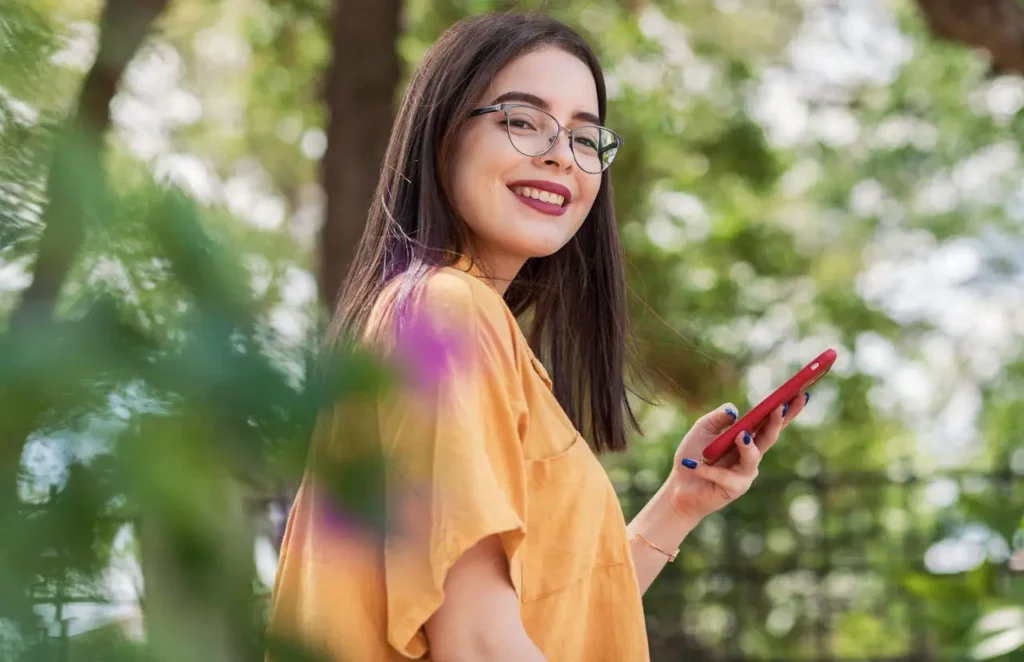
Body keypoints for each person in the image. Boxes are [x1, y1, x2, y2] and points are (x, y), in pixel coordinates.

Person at [268, 11, 808, 662]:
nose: (559, 155)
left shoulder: (461, 325)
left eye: (586, 138)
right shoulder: (446, 314)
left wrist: (681, 504)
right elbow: (476, 642)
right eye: (522, 121)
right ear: (441, 135)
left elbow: (552, 616)